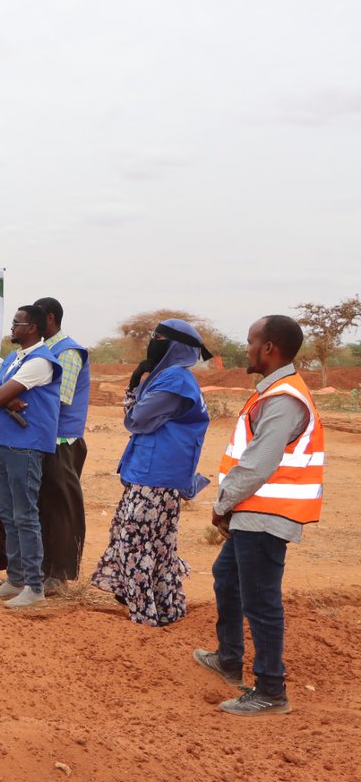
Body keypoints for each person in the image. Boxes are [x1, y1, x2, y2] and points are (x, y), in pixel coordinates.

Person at [194, 315, 323, 716]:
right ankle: (229, 658)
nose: (246, 348)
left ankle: (271, 690)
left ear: (269, 348)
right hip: (253, 512)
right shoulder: (274, 392)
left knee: (262, 601)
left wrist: (221, 504)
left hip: (265, 514)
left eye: (251, 341)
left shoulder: (283, 398)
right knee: (226, 578)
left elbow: (258, 464)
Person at [91, 318, 212, 626]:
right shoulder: (169, 377)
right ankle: (166, 613)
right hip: (151, 474)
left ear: (175, 347)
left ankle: (145, 619)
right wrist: (137, 385)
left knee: (136, 545)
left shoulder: (175, 381)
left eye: (159, 338)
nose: (152, 342)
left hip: (156, 478)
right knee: (153, 546)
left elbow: (137, 419)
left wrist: (133, 388)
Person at [0, 304, 62, 608]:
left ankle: (34, 586)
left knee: (25, 515)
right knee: (7, 513)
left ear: (34, 328)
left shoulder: (41, 362)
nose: (12, 328)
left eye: (17, 323)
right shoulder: (14, 358)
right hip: (3, 442)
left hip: (25, 446)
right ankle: (15, 580)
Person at [34, 296, 91, 587]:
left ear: (51, 318)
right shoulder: (44, 350)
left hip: (62, 441)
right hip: (44, 439)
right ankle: (45, 571)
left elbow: (60, 399)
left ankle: (60, 574)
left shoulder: (67, 352)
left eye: (36, 319)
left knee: (62, 509)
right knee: (44, 507)